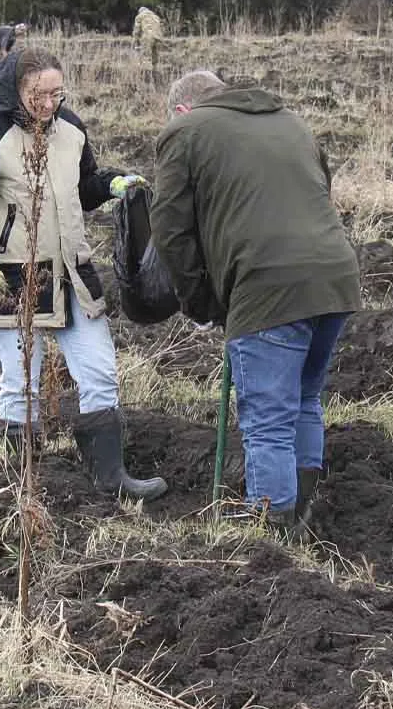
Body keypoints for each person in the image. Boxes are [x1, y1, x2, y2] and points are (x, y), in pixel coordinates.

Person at [0, 47, 166, 501]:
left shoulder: (71, 130)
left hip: (74, 273)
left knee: (101, 372)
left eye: (56, 93)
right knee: (20, 381)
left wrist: (111, 184)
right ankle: (19, 486)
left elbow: (82, 187)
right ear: (16, 91)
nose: (49, 105)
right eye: (38, 95)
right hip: (15, 276)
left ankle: (110, 478)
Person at [152, 70, 361, 533]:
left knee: (267, 419)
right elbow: (319, 192)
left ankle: (273, 539)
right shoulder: (290, 121)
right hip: (335, 276)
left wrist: (201, 302)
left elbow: (169, 230)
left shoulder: (184, 132)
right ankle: (301, 516)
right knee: (304, 399)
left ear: (183, 109)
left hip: (267, 284)